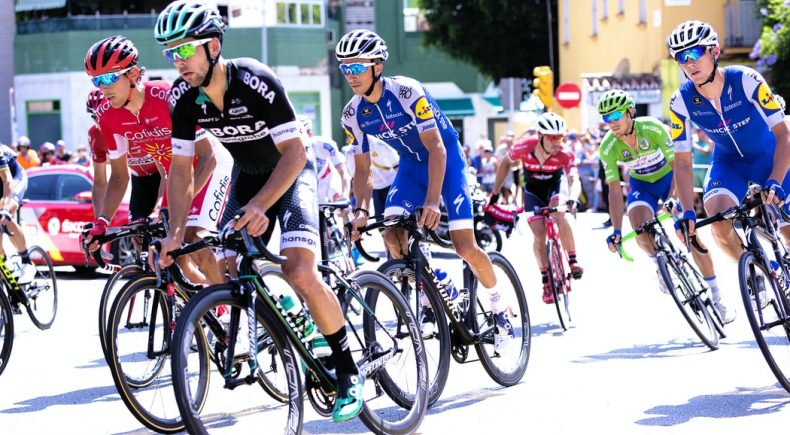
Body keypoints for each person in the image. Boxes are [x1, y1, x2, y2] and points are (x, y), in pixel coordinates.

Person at [152, 1, 364, 422]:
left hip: (291, 172)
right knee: (227, 267)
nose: (178, 61)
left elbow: (295, 153)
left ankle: (347, 371)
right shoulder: (183, 97)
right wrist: (176, 232)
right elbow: (180, 171)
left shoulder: (254, 80)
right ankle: (287, 320)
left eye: (185, 50)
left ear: (213, 46)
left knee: (299, 270)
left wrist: (261, 205)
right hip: (247, 176)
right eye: (170, 53)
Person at [337, 29, 513, 350]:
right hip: (411, 168)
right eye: (345, 68)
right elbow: (363, 171)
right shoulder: (352, 115)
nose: (351, 75)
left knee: (464, 247)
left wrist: (433, 201)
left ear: (377, 66)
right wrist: (361, 211)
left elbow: (437, 148)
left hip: (446, 161)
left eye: (358, 66)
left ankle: (499, 306)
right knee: (391, 235)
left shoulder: (407, 91)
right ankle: (433, 290)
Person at [81, 34, 229, 286]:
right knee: (170, 255)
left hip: (209, 166)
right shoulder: (107, 117)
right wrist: (102, 221)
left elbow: (208, 158)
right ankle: (204, 308)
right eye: (96, 80)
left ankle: (229, 303)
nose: (102, 87)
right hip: (175, 175)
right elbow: (118, 177)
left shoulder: (166, 96)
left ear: (133, 74)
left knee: (192, 238)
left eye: (108, 78)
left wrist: (175, 206)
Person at [597, 89, 735, 322]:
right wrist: (617, 230)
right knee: (639, 228)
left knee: (690, 235)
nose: (611, 122)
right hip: (642, 185)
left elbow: (678, 167)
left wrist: (675, 198)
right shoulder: (607, 147)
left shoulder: (652, 128)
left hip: (669, 179)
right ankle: (659, 263)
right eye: (606, 118)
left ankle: (717, 295)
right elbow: (613, 190)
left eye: (615, 115)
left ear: (630, 112)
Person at [667, 20, 790, 264]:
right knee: (718, 221)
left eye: (695, 52)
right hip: (729, 163)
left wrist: (775, 180)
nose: (689, 62)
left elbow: (784, 134)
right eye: (681, 57)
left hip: (768, 157)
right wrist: (688, 211)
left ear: (714, 51)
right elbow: (682, 163)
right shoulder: (680, 101)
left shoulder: (746, 79)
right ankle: (758, 274)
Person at [490, 112, 584, 304]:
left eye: (561, 137)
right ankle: (546, 281)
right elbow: (506, 163)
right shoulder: (524, 147)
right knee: (539, 235)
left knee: (560, 213)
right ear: (540, 136)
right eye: (552, 137)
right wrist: (495, 192)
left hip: (555, 187)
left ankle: (572, 261)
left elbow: (574, 179)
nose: (557, 141)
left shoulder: (565, 153)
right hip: (533, 191)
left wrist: (573, 198)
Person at [0, 144, 37, 284]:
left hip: (14, 178)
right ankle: (5, 268)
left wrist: (5, 208)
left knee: (6, 210)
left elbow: (7, 180)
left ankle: (27, 262)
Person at [300, 115, 350, 202]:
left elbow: (343, 173)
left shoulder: (325, 145)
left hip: (328, 181)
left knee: (343, 209)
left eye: (303, 135)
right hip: (306, 186)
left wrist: (345, 196)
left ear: (310, 134)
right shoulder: (288, 150)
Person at [85, 88, 110, 218]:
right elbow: (100, 182)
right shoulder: (95, 134)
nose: (99, 120)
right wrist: (100, 220)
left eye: (104, 115)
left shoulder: (131, 123)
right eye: (95, 117)